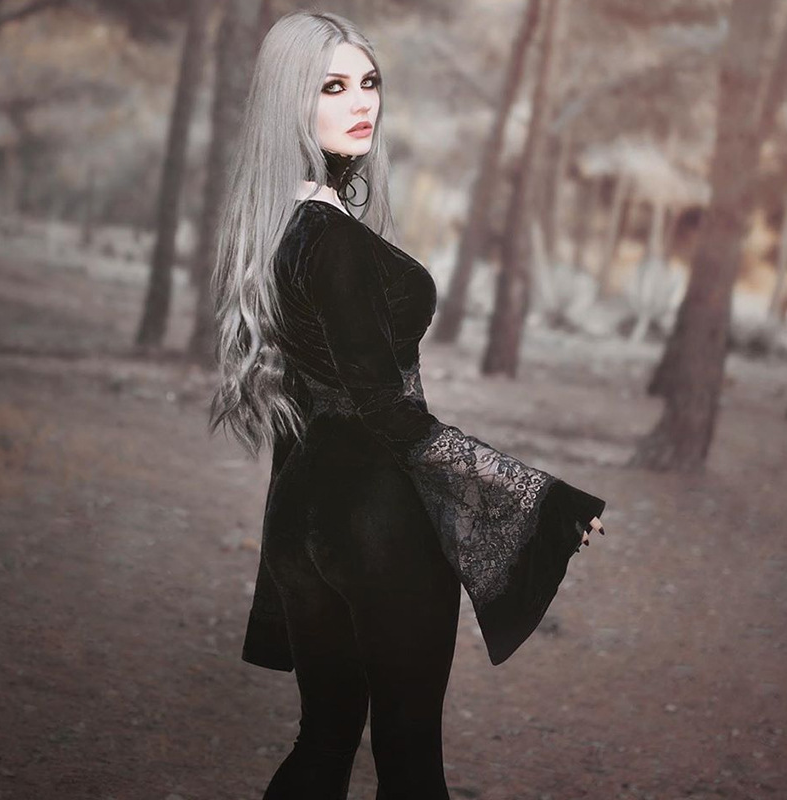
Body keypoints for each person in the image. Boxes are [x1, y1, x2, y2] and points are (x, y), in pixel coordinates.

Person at [209, 10, 607, 800]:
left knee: (323, 743)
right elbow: (390, 414)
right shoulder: (334, 241)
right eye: (332, 86)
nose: (362, 102)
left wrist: (286, 536)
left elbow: (306, 409)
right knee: (410, 761)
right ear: (289, 99)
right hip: (377, 516)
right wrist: (537, 500)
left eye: (369, 82)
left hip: (303, 513)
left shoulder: (281, 228)